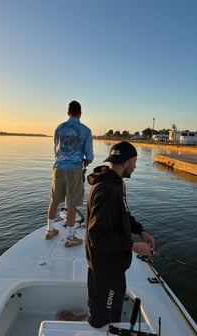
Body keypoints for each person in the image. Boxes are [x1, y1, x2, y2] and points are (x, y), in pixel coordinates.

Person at [85, 141, 155, 328]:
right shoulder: (107, 189)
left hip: (112, 266)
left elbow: (123, 214)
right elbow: (97, 235)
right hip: (105, 270)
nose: (135, 166)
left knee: (110, 315)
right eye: (134, 161)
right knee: (104, 322)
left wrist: (140, 231)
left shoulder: (115, 184)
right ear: (125, 163)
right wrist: (132, 246)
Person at [46, 100, 94, 247]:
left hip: (58, 168)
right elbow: (89, 155)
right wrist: (86, 161)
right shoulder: (85, 130)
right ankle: (70, 237)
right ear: (80, 113)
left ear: (68, 113)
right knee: (71, 202)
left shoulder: (58, 128)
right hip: (74, 169)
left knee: (54, 200)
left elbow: (56, 149)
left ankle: (50, 230)